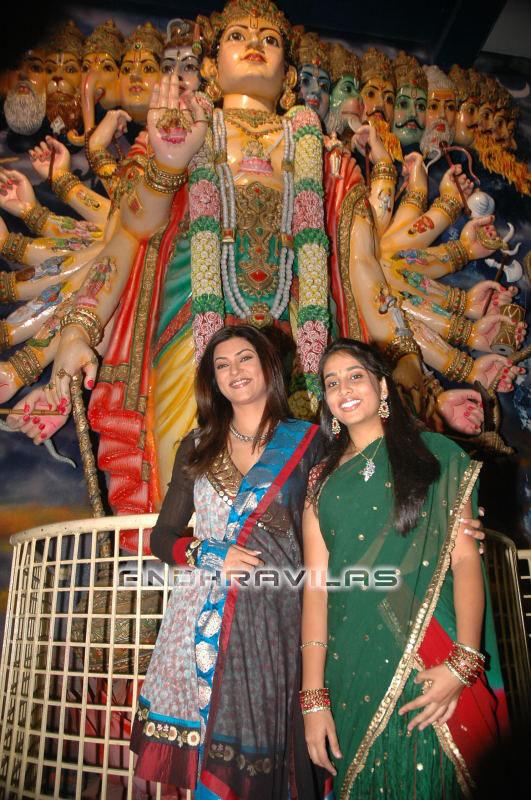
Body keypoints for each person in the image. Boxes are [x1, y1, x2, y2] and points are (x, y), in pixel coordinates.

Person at [300, 338, 508, 799]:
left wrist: (463, 662)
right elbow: (316, 590)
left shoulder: (436, 455)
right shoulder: (320, 482)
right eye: (331, 383)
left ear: (381, 385)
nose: (344, 389)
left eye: (355, 376)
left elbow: (464, 559)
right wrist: (312, 698)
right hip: (351, 666)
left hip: (437, 657)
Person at [130, 324, 325, 799]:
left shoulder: (309, 442)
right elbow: (163, 537)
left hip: (274, 619)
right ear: (212, 380)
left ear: (267, 367)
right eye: (221, 365)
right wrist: (209, 552)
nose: (234, 371)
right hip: (200, 623)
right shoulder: (197, 445)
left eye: (244, 359)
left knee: (267, 754)